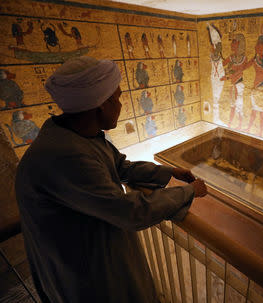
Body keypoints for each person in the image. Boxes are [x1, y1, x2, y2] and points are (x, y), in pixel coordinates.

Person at [15, 56, 207, 303]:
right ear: (101, 105)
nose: (121, 104)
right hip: (82, 272)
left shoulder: (79, 134)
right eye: (117, 98)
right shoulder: (65, 155)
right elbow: (131, 212)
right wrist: (189, 191)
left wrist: (169, 172)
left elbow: (119, 166)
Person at [221, 33, 247, 130]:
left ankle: (240, 125)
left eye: (234, 42)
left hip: (239, 85)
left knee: (239, 107)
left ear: (239, 44)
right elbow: (222, 64)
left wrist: (226, 77)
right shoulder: (231, 57)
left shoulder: (243, 59)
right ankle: (230, 124)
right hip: (233, 86)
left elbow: (238, 73)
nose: (231, 44)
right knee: (232, 106)